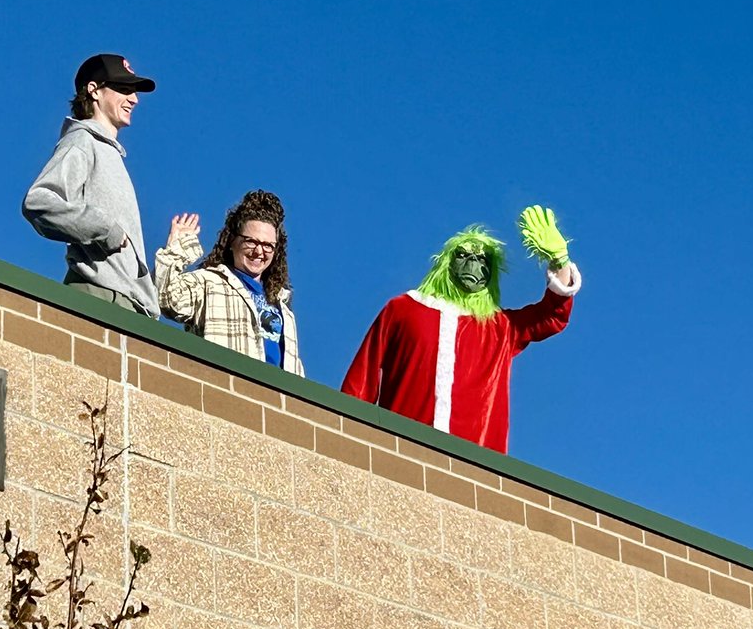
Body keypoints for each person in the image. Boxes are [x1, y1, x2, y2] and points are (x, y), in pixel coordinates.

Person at [341, 206, 580, 454]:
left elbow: (552, 315)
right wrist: (346, 441)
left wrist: (560, 260)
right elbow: (361, 381)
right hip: (400, 453)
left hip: (476, 468)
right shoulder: (404, 308)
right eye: (464, 255)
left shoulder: (501, 327)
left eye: (481, 260)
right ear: (447, 261)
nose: (472, 265)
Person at [22, 53, 159, 317]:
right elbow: (39, 200)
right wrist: (105, 230)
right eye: (123, 89)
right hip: (100, 296)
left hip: (128, 302)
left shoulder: (108, 152)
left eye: (134, 92)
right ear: (94, 90)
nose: (134, 99)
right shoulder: (83, 141)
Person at [155, 190, 305, 376]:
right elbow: (166, 298)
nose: (259, 251)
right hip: (228, 392)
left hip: (275, 402)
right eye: (250, 241)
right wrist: (177, 249)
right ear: (232, 242)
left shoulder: (283, 306)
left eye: (268, 245)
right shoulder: (209, 283)